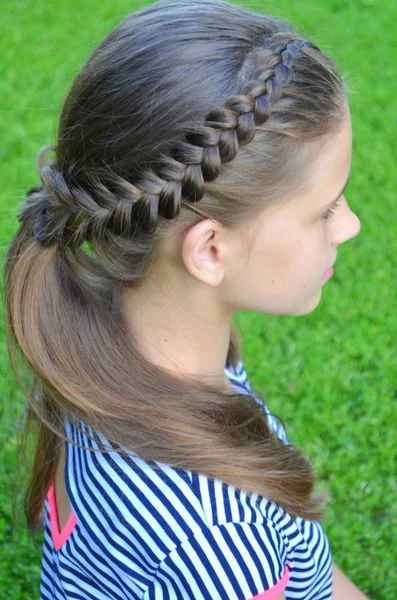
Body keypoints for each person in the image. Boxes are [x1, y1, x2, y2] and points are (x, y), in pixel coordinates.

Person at [4, 0, 370, 598]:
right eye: (325, 209)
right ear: (210, 250)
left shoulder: (107, 349)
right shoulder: (222, 543)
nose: (349, 226)